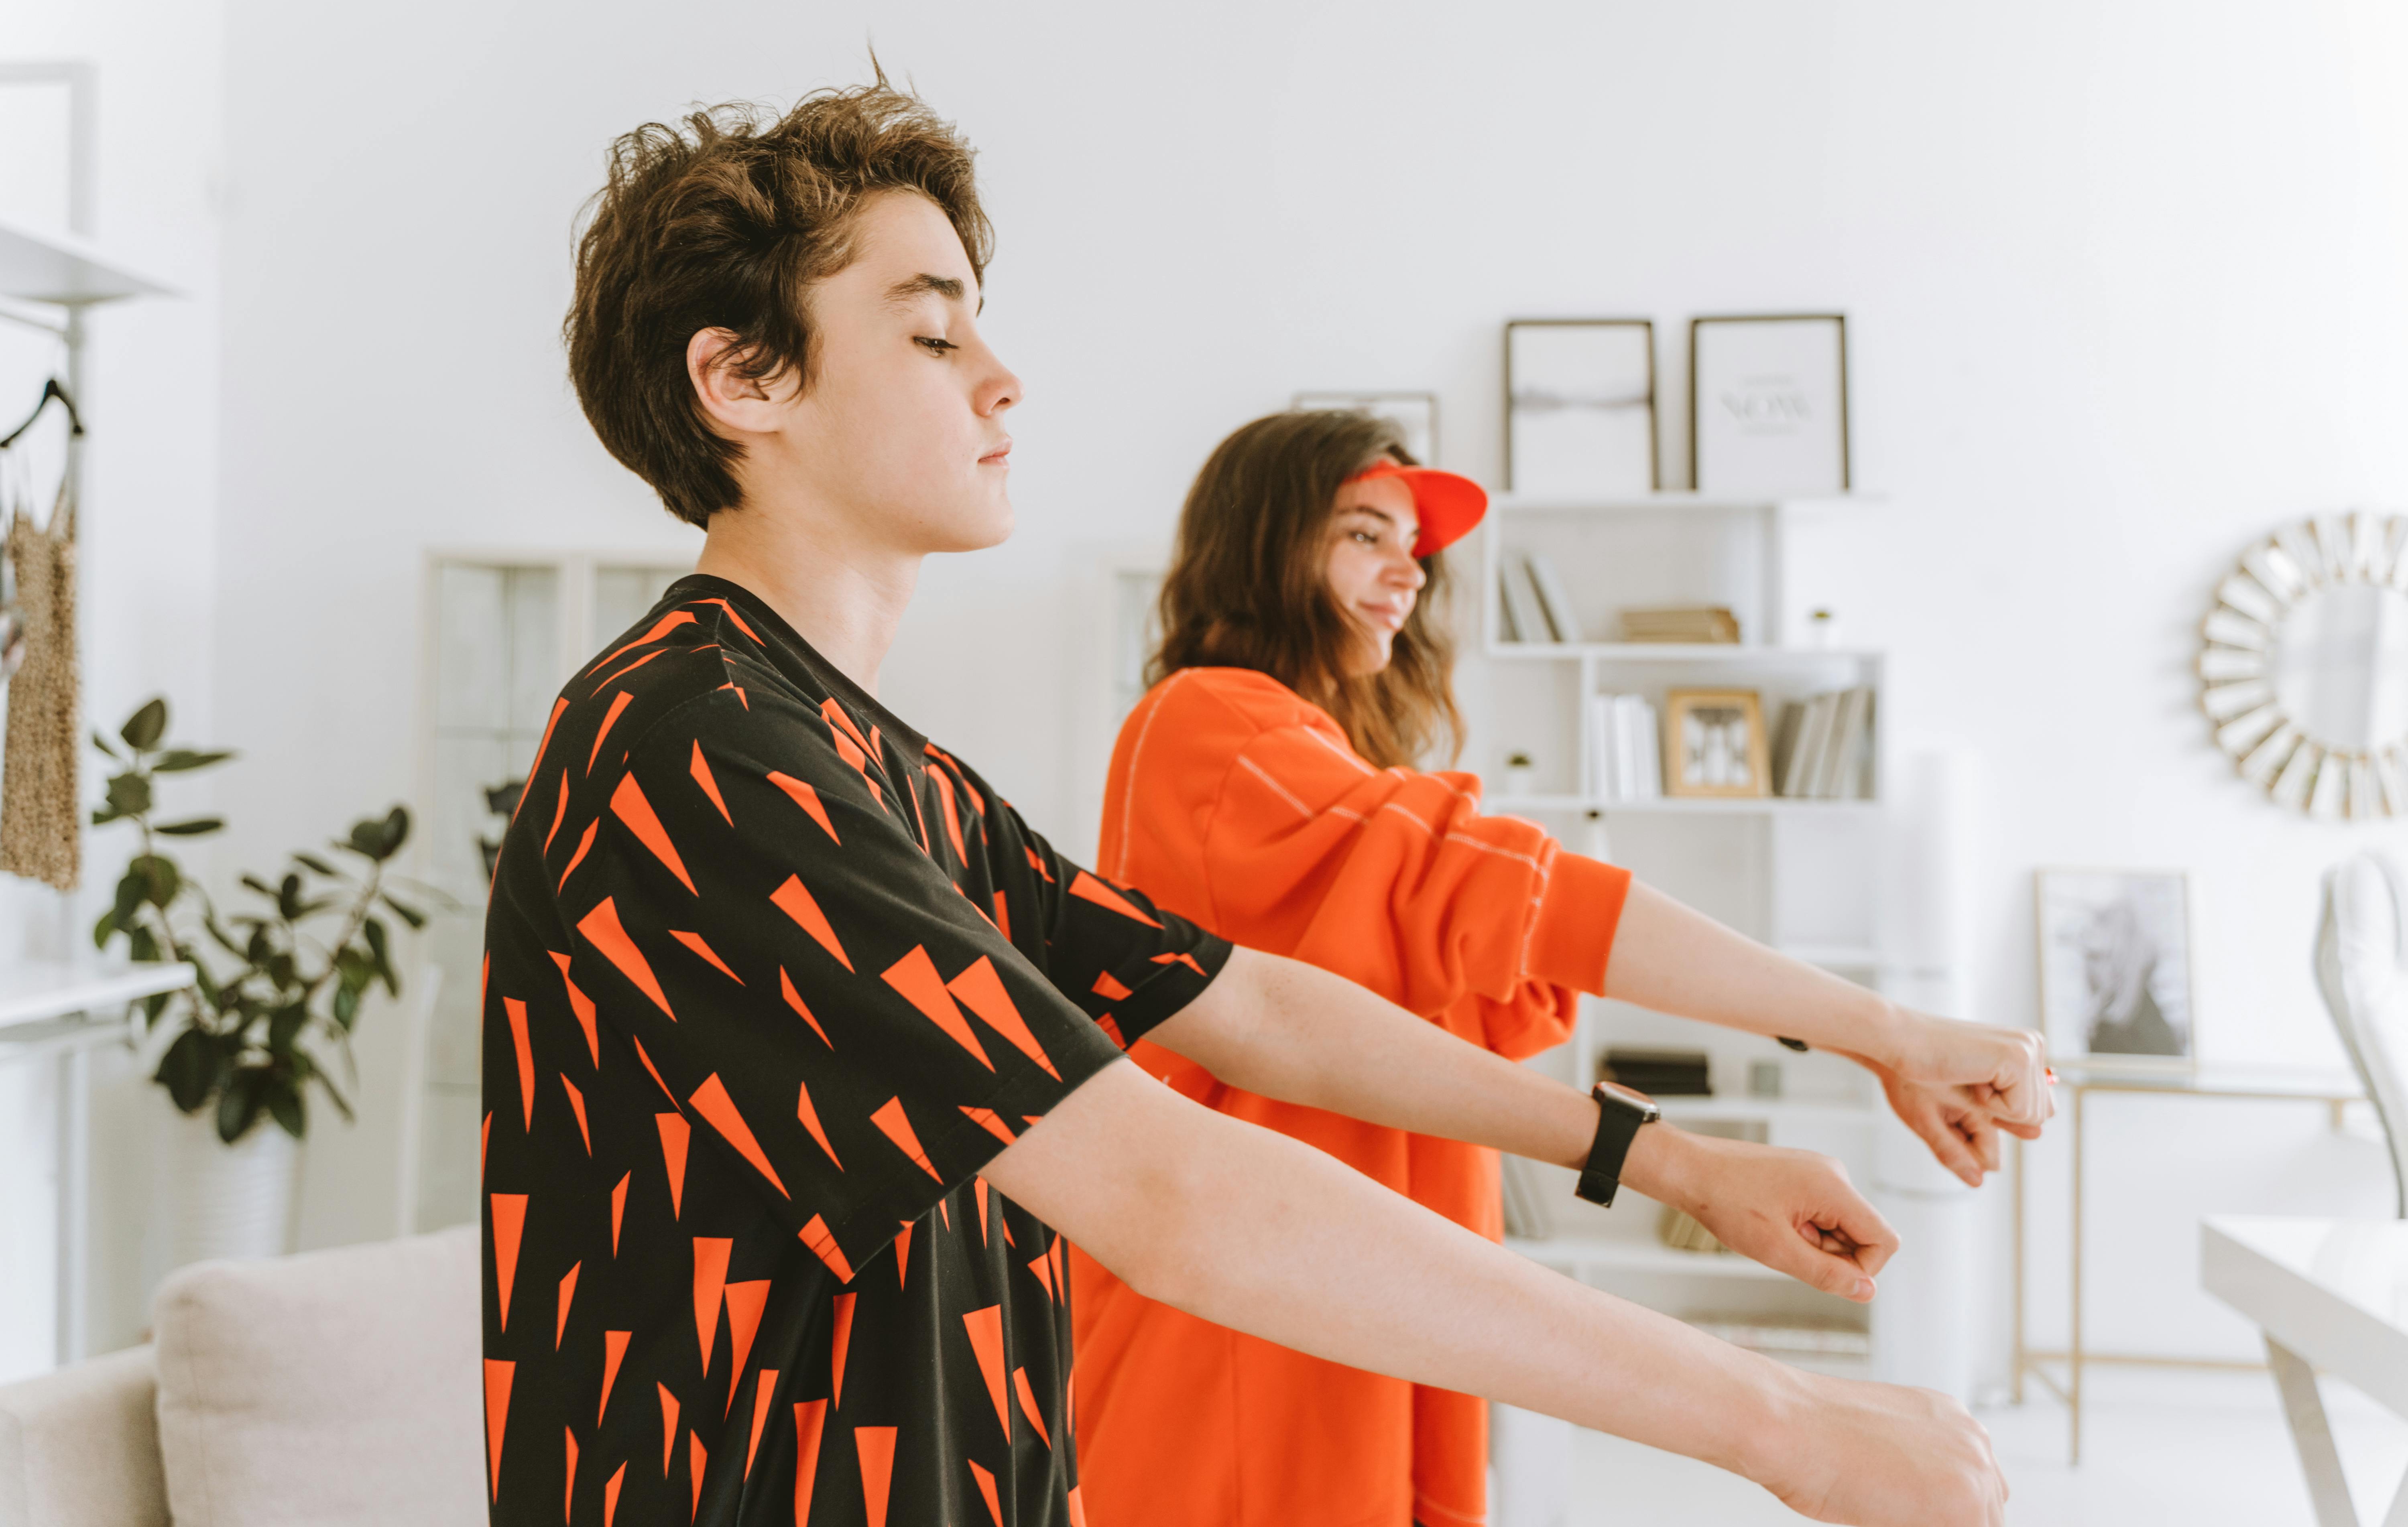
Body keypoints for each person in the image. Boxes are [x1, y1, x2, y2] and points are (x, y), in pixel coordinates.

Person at [481, 79, 2040, 1527]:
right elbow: (1170, 1188)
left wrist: (1680, 1164)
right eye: (935, 333)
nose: (1006, 376)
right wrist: (1784, 1424)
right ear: (744, 376)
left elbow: (1255, 1012)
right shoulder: (688, 745)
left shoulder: (879, 764)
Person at [1069, 409, 2054, 1527]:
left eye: (1415, 549)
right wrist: (1888, 1032)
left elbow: (1506, 939)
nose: (1408, 573)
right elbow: (1537, 906)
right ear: (1260, 546)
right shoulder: (1208, 722)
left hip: (1362, 1287)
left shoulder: (1320, 760)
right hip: (1248, 1320)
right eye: (1363, 535)